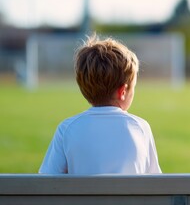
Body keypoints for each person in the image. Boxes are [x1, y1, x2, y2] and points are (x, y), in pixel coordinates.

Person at [39, 35, 161, 174]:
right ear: (123, 91)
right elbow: (154, 181)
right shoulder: (140, 128)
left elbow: (48, 181)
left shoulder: (67, 129)